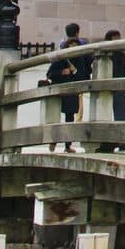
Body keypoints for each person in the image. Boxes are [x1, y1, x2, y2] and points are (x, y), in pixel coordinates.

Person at [40, 22, 89, 152]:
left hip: (72, 91)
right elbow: (49, 74)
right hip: (59, 90)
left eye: (75, 47)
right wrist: (62, 72)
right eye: (71, 47)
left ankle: (68, 145)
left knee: (69, 118)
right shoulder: (61, 59)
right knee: (55, 118)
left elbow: (83, 74)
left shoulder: (80, 59)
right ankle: (54, 141)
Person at [101, 29, 125, 123]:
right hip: (108, 85)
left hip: (118, 85)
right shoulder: (103, 53)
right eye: (116, 37)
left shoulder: (121, 54)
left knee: (119, 111)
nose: (119, 39)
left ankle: (121, 130)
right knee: (104, 111)